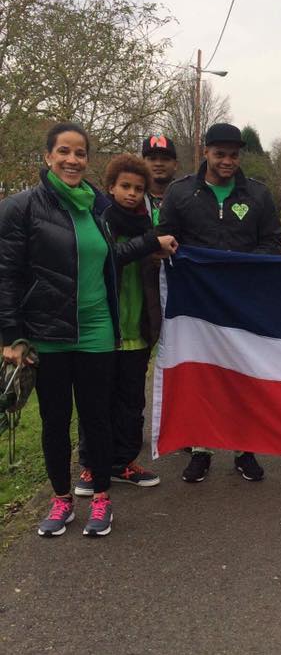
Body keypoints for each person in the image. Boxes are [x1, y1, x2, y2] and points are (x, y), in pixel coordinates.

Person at [0, 123, 177, 538]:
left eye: (80, 153)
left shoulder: (98, 206)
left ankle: (101, 499)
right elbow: (6, 275)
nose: (72, 160)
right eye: (64, 151)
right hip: (48, 332)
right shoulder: (20, 208)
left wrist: (153, 242)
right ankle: (61, 499)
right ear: (47, 157)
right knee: (54, 420)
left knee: (97, 418)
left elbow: (111, 256)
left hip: (98, 330)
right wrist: (9, 337)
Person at [157, 121, 281, 484]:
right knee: (202, 374)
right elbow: (165, 237)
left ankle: (245, 448)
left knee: (243, 373)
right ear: (205, 152)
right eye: (220, 154)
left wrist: (247, 270)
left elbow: (273, 239)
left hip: (245, 303)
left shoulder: (258, 195)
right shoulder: (181, 193)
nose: (227, 161)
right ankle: (201, 449)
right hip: (198, 304)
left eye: (233, 155)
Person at [74, 154, 163, 498]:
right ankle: (91, 465)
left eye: (138, 189)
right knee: (96, 401)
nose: (131, 194)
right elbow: (112, 256)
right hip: (101, 330)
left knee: (130, 402)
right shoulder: (97, 222)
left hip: (137, 332)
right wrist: (151, 245)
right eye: (125, 186)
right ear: (110, 187)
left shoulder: (151, 225)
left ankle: (124, 462)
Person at [141, 133, 178, 226]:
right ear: (142, 163)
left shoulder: (188, 197)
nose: (158, 163)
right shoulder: (131, 198)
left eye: (165, 159)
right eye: (152, 159)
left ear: (175, 165)